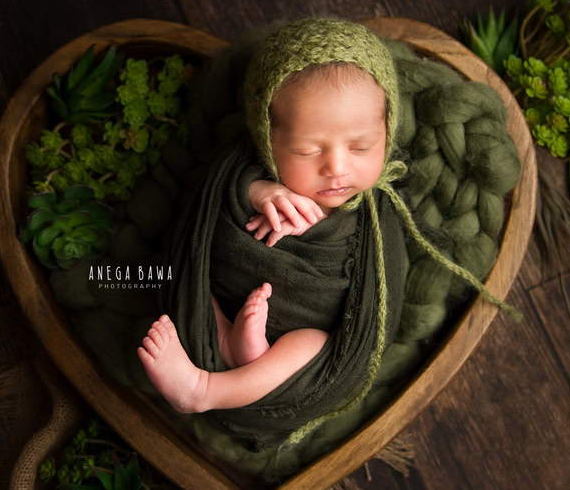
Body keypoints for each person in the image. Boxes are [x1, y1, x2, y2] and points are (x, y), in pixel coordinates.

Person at [138, 57, 387, 414]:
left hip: (303, 327)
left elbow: (378, 295)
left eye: (360, 147)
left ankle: (204, 389)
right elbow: (210, 203)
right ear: (270, 142)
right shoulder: (247, 166)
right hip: (225, 296)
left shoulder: (376, 213)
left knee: (313, 345)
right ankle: (231, 343)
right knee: (184, 272)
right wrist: (255, 191)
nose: (336, 168)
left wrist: (321, 227)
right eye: (307, 150)